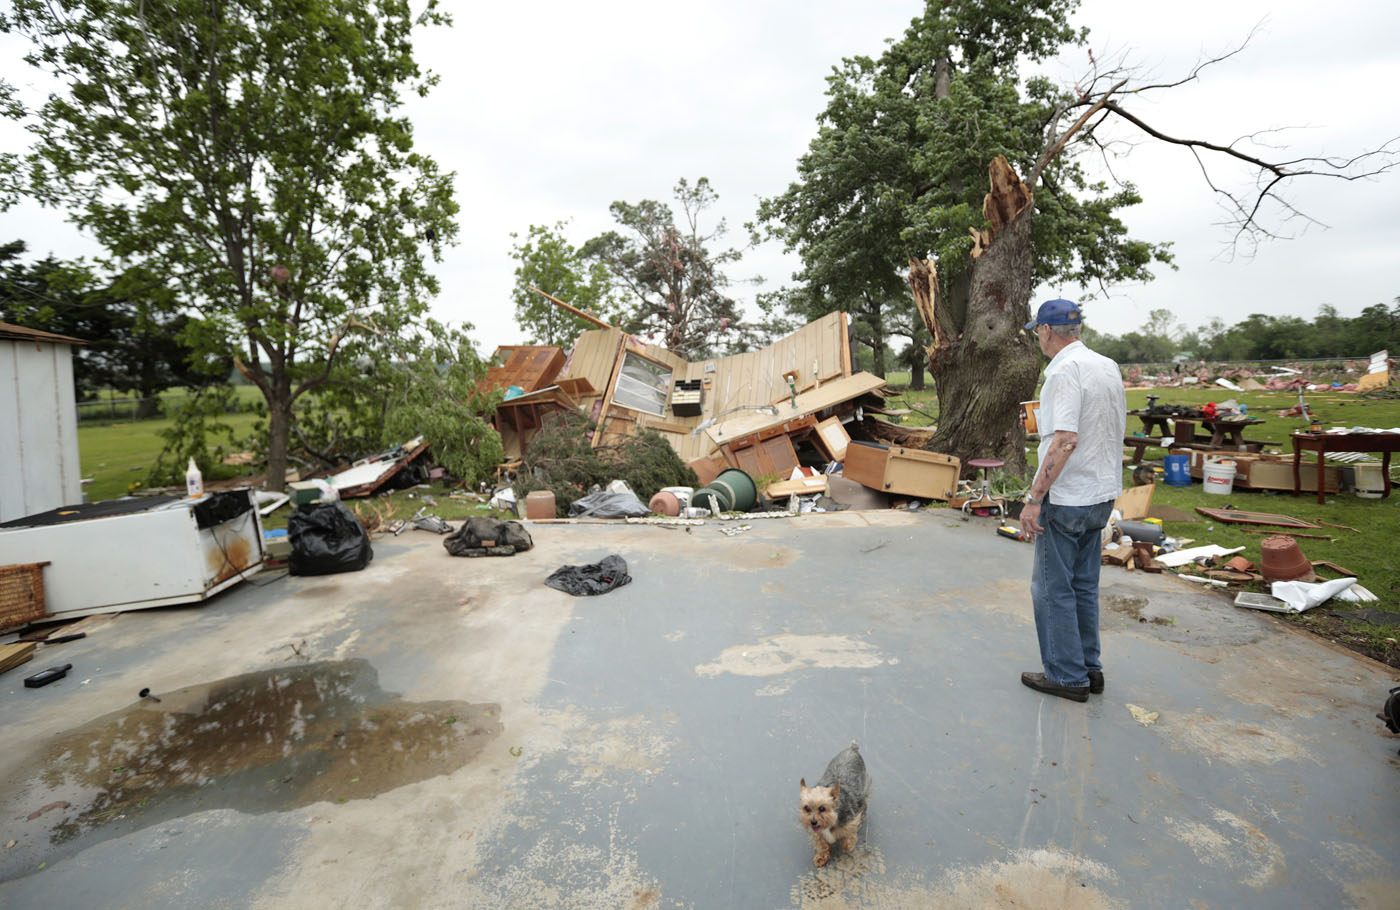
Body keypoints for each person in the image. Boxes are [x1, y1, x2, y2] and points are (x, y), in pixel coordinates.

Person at [1017, 299, 1127, 703]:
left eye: (1037, 333)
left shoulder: (1062, 371)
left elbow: (1065, 440)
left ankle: (1066, 676)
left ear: (1046, 331)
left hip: (1067, 497)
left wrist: (1035, 498)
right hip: (1100, 494)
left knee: (1051, 588)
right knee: (1083, 585)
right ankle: (1089, 667)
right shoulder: (1106, 366)